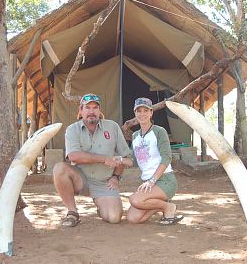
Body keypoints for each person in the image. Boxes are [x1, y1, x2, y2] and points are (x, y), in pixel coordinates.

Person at [53, 93, 132, 227]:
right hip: (81, 179)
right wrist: (104, 159)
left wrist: (116, 177)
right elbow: (73, 156)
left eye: (95, 108)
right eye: (87, 108)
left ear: (99, 111)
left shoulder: (112, 127)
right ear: (81, 111)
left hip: (104, 183)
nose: (91, 111)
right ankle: (72, 212)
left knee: (114, 217)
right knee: (59, 169)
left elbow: (125, 156)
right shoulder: (72, 129)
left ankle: (101, 205)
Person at [127, 97, 183, 225]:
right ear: (135, 113)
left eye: (145, 110)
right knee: (133, 218)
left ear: (151, 112)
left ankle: (168, 208)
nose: (142, 114)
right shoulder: (135, 136)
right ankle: (161, 205)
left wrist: (152, 180)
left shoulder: (159, 131)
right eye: (139, 111)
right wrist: (118, 160)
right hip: (147, 182)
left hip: (164, 180)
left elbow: (167, 157)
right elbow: (134, 161)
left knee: (135, 200)